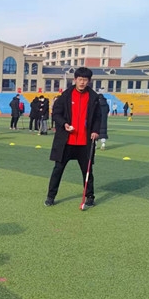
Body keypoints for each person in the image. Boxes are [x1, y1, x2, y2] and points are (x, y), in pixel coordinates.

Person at [45, 67, 102, 207]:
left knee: (87, 171)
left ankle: (90, 197)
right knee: (58, 169)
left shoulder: (94, 97)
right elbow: (56, 114)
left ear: (89, 81)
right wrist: (64, 124)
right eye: (80, 79)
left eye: (85, 80)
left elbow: (98, 117)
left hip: (85, 142)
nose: (82, 82)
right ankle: (50, 197)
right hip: (66, 141)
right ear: (75, 79)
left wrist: (95, 131)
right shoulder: (65, 96)